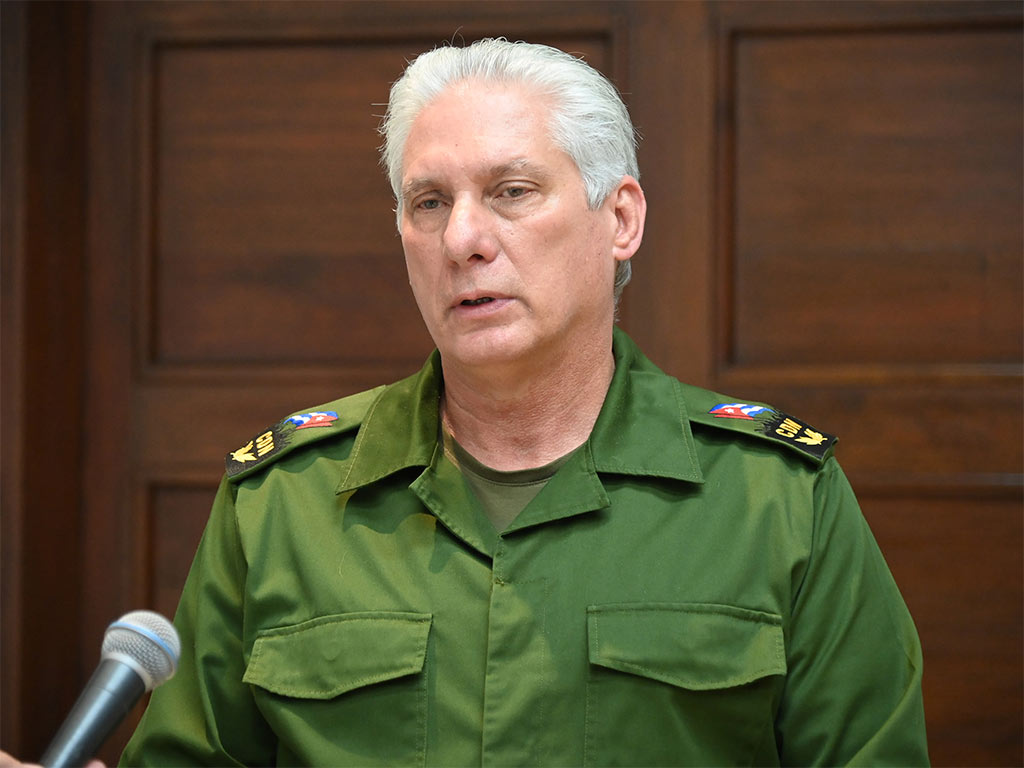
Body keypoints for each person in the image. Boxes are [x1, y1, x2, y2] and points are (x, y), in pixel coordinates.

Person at [117, 38, 929, 766]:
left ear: (620, 218)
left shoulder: (776, 499)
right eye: (429, 202)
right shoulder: (283, 500)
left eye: (510, 191)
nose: (462, 239)